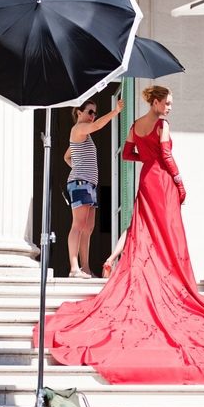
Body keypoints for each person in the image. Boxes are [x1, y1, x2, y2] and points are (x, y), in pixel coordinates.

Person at [35, 85, 204, 384]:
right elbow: (165, 154)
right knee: (167, 232)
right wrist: (179, 181)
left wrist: (146, 160)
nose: (171, 107)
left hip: (146, 178)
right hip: (162, 180)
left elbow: (126, 154)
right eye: (169, 102)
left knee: (145, 229)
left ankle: (137, 269)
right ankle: (167, 277)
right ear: (157, 102)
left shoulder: (137, 124)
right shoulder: (161, 124)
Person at [63, 97, 124, 278]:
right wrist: (115, 112)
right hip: (81, 183)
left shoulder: (83, 134)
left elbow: (67, 156)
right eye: (90, 112)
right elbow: (97, 126)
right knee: (78, 225)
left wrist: (77, 166)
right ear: (79, 112)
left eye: (94, 113)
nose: (93, 116)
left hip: (88, 184)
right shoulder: (78, 128)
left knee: (88, 228)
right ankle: (74, 268)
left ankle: (86, 268)